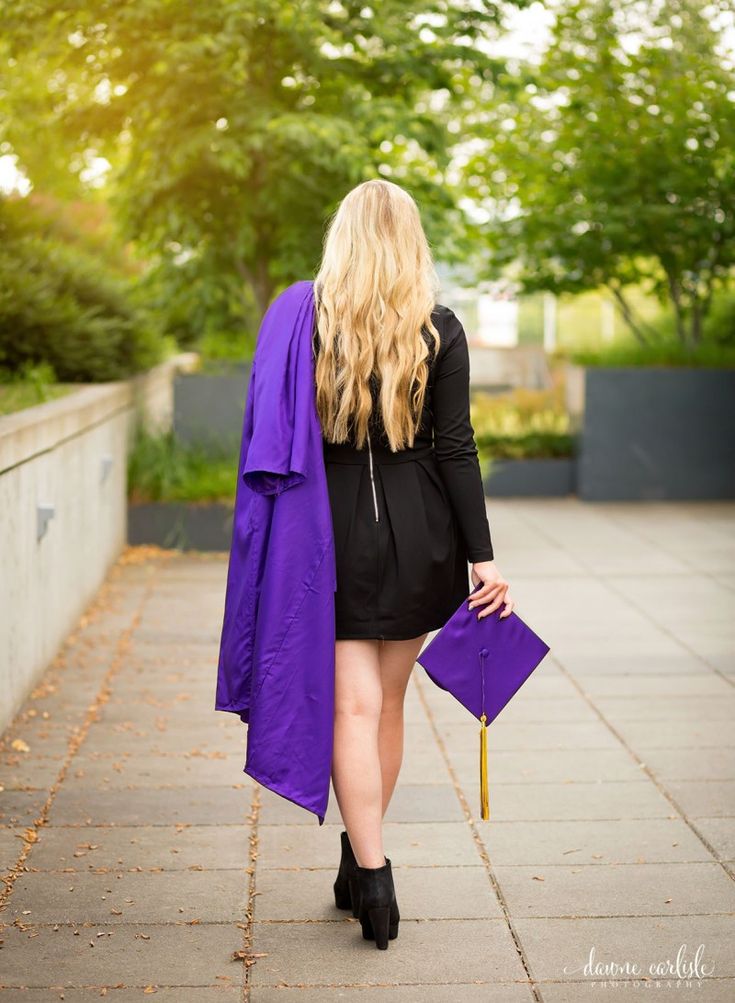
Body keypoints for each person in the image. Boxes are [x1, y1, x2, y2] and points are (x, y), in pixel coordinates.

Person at [310, 178, 513, 948]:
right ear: (410, 242)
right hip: (421, 533)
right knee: (386, 706)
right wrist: (483, 559)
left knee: (350, 709)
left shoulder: (308, 326)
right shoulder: (440, 328)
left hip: (328, 535)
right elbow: (456, 448)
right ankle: (364, 860)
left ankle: (371, 873)